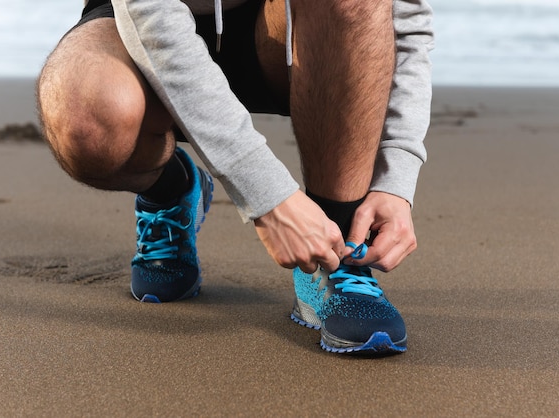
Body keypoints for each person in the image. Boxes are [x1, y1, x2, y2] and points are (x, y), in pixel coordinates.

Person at [36, 0, 434, 355]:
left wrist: (395, 176)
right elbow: (149, 10)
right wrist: (267, 198)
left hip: (292, 27)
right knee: (86, 121)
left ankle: (336, 246)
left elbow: (404, 12)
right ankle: (170, 190)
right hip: (147, 18)